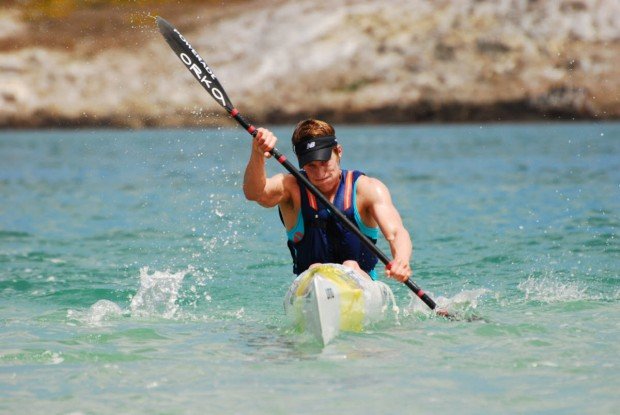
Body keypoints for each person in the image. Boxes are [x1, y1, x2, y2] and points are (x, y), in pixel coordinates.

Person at [242, 119, 413, 283]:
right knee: (316, 269)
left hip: (361, 280)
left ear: (339, 151)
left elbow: (396, 233)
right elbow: (254, 193)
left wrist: (401, 261)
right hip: (311, 284)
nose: (319, 173)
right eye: (311, 166)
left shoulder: (367, 189)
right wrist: (258, 153)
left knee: (349, 265)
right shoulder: (290, 187)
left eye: (324, 162)